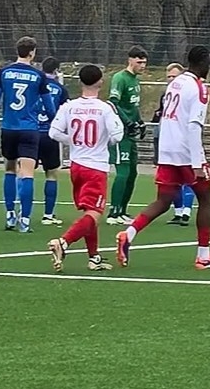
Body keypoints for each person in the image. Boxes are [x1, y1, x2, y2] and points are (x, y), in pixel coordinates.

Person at [116, 46, 210, 269]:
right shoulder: (199, 88)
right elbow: (193, 126)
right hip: (186, 153)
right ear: (202, 63)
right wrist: (197, 162)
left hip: (167, 151)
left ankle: (129, 234)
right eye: (209, 63)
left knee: (164, 200)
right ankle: (203, 255)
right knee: (206, 198)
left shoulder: (175, 83)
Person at [45, 64, 123, 273]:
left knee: (89, 212)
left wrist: (73, 141)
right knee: (95, 213)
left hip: (77, 165)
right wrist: (104, 141)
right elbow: (117, 136)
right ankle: (63, 242)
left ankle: (93, 257)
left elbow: (54, 132)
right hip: (95, 167)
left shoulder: (69, 106)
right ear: (100, 82)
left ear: (80, 82)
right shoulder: (105, 108)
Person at [0, 36, 53, 233]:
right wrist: (55, 124)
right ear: (32, 52)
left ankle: (9, 214)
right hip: (29, 129)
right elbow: (49, 106)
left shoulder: (3, 72)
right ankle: (25, 220)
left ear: (17, 51)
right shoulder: (38, 76)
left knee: (9, 169)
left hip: (9, 128)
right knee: (28, 173)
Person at [106, 46, 148, 224]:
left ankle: (122, 210)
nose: (142, 66)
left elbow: (133, 106)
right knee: (123, 171)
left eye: (144, 63)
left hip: (130, 133)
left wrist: (140, 122)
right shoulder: (120, 78)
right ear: (130, 60)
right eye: (139, 62)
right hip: (120, 133)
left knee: (132, 172)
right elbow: (113, 103)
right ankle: (113, 213)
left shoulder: (135, 81)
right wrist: (127, 122)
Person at [157, 63, 195, 225]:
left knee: (189, 178)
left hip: (184, 142)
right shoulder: (166, 94)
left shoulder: (190, 92)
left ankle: (186, 211)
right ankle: (178, 212)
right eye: (169, 77)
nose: (171, 79)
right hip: (168, 142)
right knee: (173, 181)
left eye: (174, 76)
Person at [38, 57, 69, 226]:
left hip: (31, 132)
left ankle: (22, 212)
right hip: (49, 134)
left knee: (24, 172)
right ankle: (48, 215)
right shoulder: (60, 89)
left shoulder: (35, 83)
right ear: (56, 70)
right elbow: (66, 111)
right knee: (51, 174)